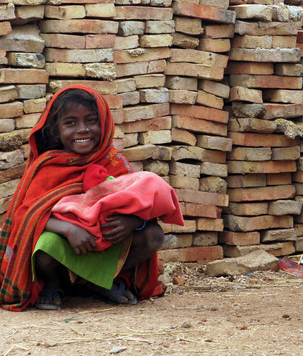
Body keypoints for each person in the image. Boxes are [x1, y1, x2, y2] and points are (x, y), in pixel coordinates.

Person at [0, 85, 181, 311]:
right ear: (56, 131)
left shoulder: (115, 163)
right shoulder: (47, 167)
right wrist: (69, 230)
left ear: (104, 124)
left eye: (92, 121)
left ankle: (101, 283)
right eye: (71, 123)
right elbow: (26, 215)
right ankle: (57, 283)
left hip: (106, 242)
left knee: (153, 235)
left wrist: (133, 222)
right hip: (67, 244)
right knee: (44, 247)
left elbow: (141, 205)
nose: (83, 129)